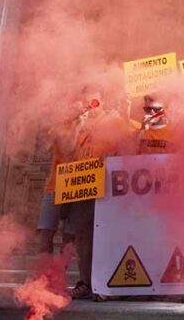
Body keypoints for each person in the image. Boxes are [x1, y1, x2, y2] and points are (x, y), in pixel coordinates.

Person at [65, 88, 130, 300]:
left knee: (106, 235)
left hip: (106, 184)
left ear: (102, 101)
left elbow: (128, 148)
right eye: (85, 102)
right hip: (82, 184)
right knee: (82, 236)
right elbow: (67, 151)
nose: (89, 106)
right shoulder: (79, 123)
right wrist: (77, 126)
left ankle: (106, 283)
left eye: (93, 102)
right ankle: (85, 282)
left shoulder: (115, 121)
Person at [36, 123, 76, 255]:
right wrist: (76, 125)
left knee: (70, 237)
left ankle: (59, 272)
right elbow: (67, 150)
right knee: (46, 231)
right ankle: (46, 272)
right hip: (55, 186)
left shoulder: (92, 129)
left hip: (79, 188)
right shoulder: (60, 127)